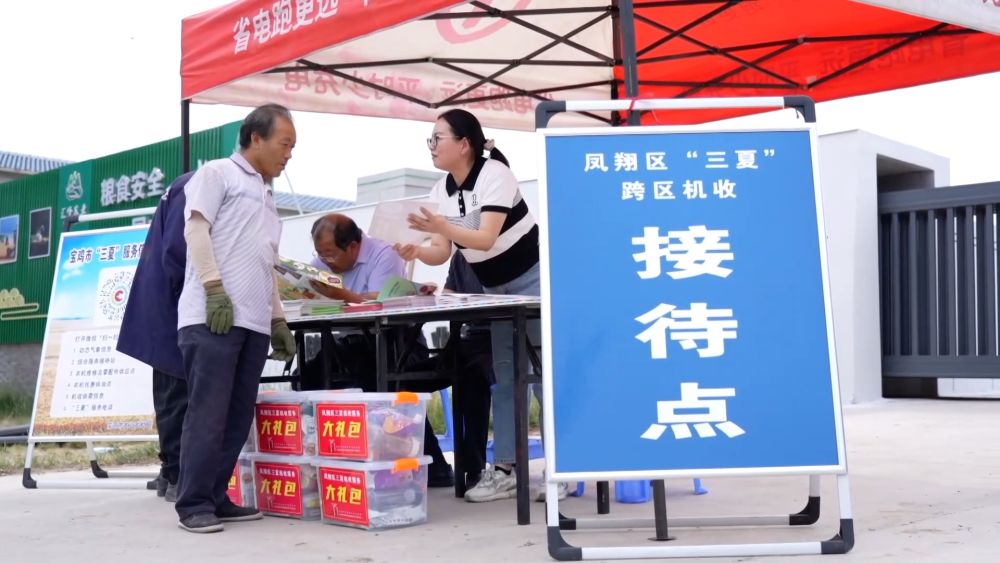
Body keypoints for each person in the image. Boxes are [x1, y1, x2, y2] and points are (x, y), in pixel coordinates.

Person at [396, 108, 541, 503]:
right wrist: (417, 250)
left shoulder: (495, 174)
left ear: (464, 144)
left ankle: (565, 466)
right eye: (430, 139)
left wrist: (440, 227)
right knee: (507, 378)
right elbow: (442, 251)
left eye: (437, 138)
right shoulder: (440, 190)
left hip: (532, 281)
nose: (431, 146)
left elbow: (485, 237)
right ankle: (507, 469)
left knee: (543, 375)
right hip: (495, 289)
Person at [174, 103, 297, 533]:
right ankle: (192, 504)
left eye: (293, 148)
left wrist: (277, 320)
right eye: (284, 144)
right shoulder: (218, 173)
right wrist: (213, 288)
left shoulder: (267, 196)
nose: (288, 155)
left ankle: (216, 497)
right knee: (208, 413)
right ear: (256, 138)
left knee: (237, 416)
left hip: (252, 322)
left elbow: (267, 261)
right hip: (213, 316)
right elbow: (195, 229)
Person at [305, 213, 454, 487]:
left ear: (353, 246)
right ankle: (324, 464)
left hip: (398, 341)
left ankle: (429, 467)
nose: (325, 261)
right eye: (320, 254)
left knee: (377, 376)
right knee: (310, 373)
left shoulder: (384, 254)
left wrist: (341, 295)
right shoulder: (322, 263)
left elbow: (381, 304)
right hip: (351, 341)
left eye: (330, 254)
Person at [117, 170, 194, 503]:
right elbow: (179, 251)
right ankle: (176, 473)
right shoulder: (195, 186)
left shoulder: (184, 184)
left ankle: (169, 471)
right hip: (173, 302)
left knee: (170, 392)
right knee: (176, 392)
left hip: (165, 300)